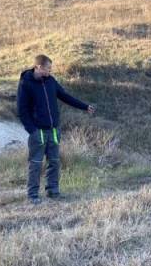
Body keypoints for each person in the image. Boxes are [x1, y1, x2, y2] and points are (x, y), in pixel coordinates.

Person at [16, 55, 96, 204]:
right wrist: (32, 130)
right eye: (48, 68)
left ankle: (53, 191)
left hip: (53, 130)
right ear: (38, 67)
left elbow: (65, 96)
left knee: (54, 162)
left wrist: (85, 106)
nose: (50, 71)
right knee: (36, 164)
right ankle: (33, 195)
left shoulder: (51, 81)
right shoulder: (25, 83)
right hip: (38, 132)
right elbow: (22, 110)